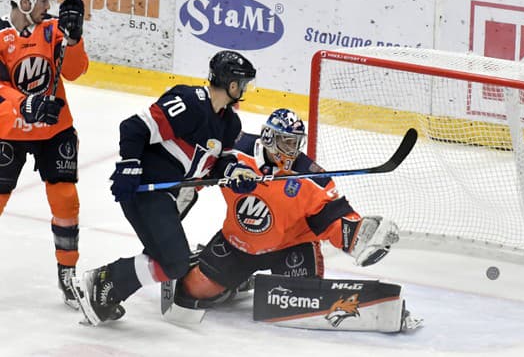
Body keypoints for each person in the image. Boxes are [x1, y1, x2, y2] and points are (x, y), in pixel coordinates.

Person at [71, 50, 257, 325]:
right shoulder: (189, 102)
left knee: (169, 260)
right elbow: (134, 127)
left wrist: (234, 171)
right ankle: (102, 283)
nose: (244, 90)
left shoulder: (230, 123)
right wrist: (130, 164)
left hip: (167, 196)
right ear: (232, 84)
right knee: (175, 261)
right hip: (145, 189)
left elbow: (220, 161)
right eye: (243, 83)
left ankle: (104, 288)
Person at [171, 108, 400, 310]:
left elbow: (331, 217)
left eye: (296, 143)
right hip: (238, 243)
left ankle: (247, 278)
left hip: (291, 248)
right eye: (287, 142)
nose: (292, 150)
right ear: (269, 137)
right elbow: (202, 170)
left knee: (302, 299)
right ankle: (234, 278)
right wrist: (175, 197)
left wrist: (359, 235)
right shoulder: (236, 151)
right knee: (194, 290)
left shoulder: (311, 177)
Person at [0, 0, 87, 309]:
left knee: (66, 200)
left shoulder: (54, 30)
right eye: (42, 0)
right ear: (23, 0)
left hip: (55, 129)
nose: (47, 5)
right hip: (10, 131)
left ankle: (68, 274)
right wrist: (28, 106)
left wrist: (76, 39)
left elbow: (75, 71)